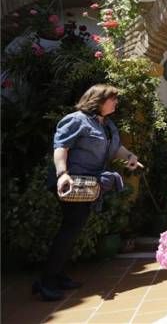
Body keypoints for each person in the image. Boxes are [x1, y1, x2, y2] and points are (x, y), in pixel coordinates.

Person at [35, 84, 142, 302]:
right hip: (72, 183)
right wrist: (62, 173)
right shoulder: (77, 119)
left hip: (90, 185)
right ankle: (46, 281)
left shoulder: (108, 124)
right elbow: (61, 147)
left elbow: (115, 149)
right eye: (112, 99)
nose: (116, 102)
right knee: (70, 229)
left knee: (74, 229)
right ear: (98, 100)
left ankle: (58, 275)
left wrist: (129, 156)